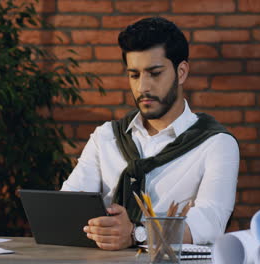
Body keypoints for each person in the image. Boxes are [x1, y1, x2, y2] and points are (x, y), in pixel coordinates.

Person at [61, 17, 239, 250]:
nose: (142, 87)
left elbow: (209, 224)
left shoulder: (216, 144)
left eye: (154, 73)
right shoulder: (106, 137)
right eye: (134, 75)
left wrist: (137, 233)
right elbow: (68, 208)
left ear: (181, 72)